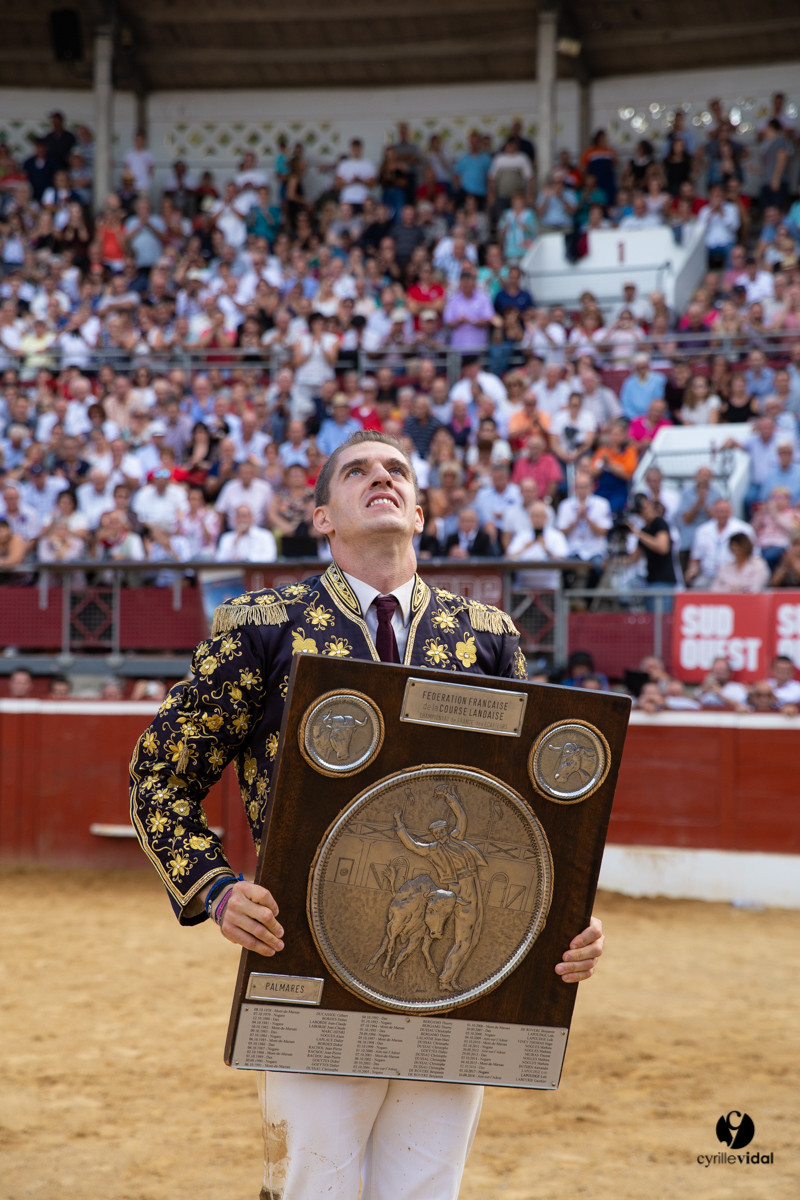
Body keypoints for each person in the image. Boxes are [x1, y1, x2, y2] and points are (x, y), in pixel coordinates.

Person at [130, 430, 603, 1200]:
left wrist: (563, 920)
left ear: (418, 512)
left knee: (425, 1192)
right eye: (357, 471)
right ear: (322, 516)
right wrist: (214, 888)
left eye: (396, 471)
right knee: (313, 1187)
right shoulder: (261, 626)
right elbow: (160, 774)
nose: (380, 477)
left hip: (459, 973)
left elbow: (523, 819)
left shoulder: (488, 637)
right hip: (308, 955)